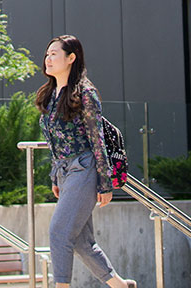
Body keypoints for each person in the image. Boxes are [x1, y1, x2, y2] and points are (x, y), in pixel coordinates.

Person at [35, 35, 136, 288]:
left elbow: (97, 139)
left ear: (71, 58)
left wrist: (105, 183)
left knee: (59, 232)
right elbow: (53, 141)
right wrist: (54, 176)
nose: (48, 59)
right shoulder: (50, 94)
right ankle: (120, 286)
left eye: (54, 54)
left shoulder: (86, 93)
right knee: (81, 242)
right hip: (64, 171)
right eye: (47, 54)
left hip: (85, 167)